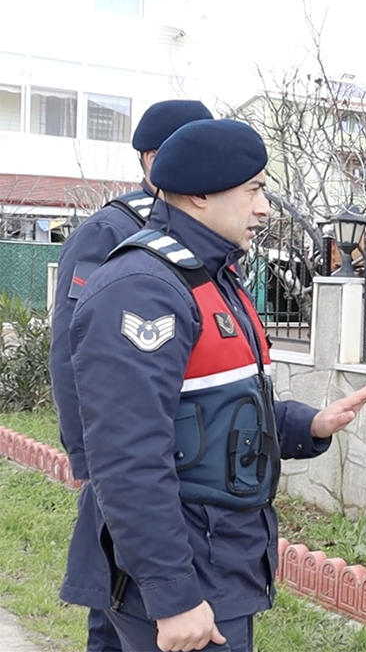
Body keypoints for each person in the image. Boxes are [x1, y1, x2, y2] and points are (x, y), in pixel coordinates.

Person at [57, 118, 366, 652]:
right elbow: (128, 456)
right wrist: (173, 596)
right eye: (254, 189)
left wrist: (308, 423)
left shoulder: (212, 278)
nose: (265, 208)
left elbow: (220, 407)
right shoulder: (144, 289)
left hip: (220, 559)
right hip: (185, 572)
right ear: (201, 195)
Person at [48, 98, 213, 652]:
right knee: (116, 601)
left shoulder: (197, 230)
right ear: (152, 158)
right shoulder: (111, 231)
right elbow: (72, 351)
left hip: (175, 455)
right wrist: (89, 460)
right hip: (119, 455)